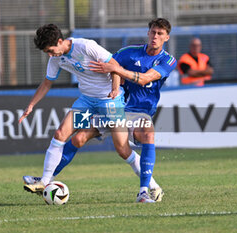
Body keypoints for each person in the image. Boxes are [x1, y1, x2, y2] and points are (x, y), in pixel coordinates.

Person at [24, 18, 176, 203]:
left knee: (138, 139)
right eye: (153, 32)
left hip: (130, 108)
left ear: (167, 37)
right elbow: (112, 65)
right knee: (77, 138)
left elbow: (140, 78)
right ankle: (45, 180)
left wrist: (116, 78)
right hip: (97, 104)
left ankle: (145, 189)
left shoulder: (167, 60)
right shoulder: (128, 52)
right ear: (148, 32)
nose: (155, 36)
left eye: (160, 33)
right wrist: (114, 74)